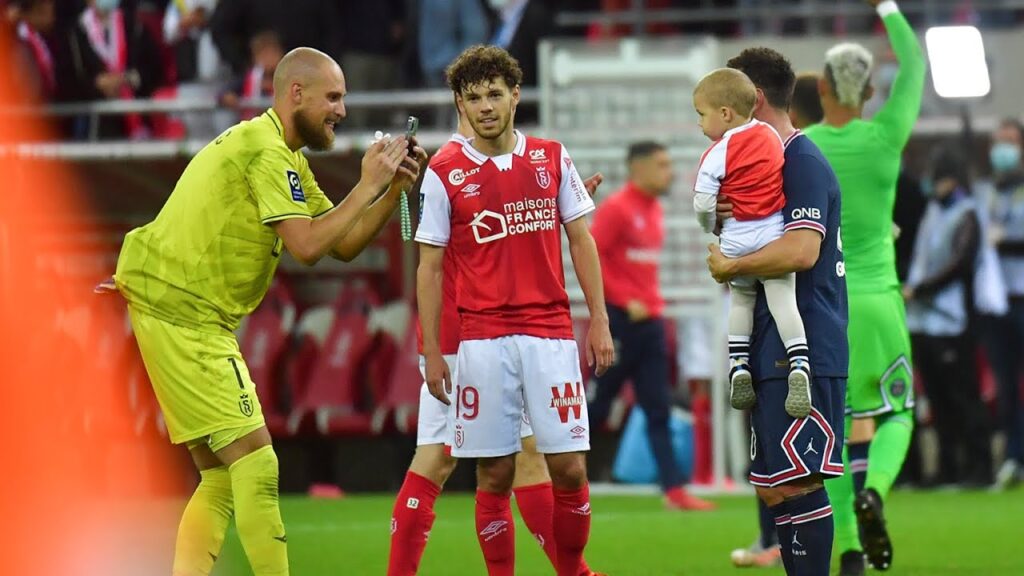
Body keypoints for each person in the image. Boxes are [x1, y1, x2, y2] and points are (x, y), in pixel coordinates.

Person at [112, 47, 426, 576]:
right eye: (334, 97)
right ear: (295, 94)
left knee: (218, 475)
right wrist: (368, 184)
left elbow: (342, 243)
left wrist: (391, 188)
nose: (342, 111)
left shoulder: (286, 157)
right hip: (188, 317)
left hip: (179, 311)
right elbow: (306, 246)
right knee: (257, 462)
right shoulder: (267, 152)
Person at [416, 45, 614, 576]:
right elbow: (429, 267)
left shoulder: (551, 155)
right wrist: (433, 351)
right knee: (495, 474)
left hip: (550, 334)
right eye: (474, 97)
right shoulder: (443, 171)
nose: (485, 106)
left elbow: (581, 239)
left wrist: (599, 319)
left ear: (515, 95)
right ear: (460, 102)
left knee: (569, 469)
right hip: (481, 341)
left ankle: (572, 571)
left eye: (494, 94)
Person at [707, 45, 848, 576]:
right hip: (766, 344)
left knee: (798, 480)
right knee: (771, 488)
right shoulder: (759, 167)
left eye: (727, 101)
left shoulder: (801, 160)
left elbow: (802, 251)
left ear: (754, 99)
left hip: (804, 344)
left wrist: (729, 267)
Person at [803, 0, 926, 572]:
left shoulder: (803, 151)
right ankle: (877, 486)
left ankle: (850, 549)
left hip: (827, 307)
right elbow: (916, 62)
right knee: (898, 413)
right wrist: (888, 7)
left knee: (835, 430)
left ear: (823, 90)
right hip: (880, 301)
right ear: (870, 93)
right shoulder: (885, 139)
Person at [588, 140, 715, 511]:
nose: (669, 172)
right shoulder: (616, 209)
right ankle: (551, 477)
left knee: (658, 407)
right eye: (661, 165)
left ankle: (674, 490)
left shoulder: (654, 210)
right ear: (637, 168)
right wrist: (625, 302)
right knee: (596, 407)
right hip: (621, 324)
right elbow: (590, 258)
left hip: (651, 324)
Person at [693, 68, 812, 420]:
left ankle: (739, 365)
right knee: (783, 300)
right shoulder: (771, 136)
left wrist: (709, 223)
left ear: (725, 114)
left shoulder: (718, 150)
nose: (701, 124)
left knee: (741, 300)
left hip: (737, 236)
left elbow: (702, 202)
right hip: (772, 230)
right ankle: (800, 364)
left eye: (702, 115)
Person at [905, 145, 992, 488]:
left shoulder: (967, 213)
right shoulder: (933, 212)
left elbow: (959, 264)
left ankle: (980, 467)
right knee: (938, 400)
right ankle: (948, 468)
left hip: (953, 321)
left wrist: (922, 288)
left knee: (964, 398)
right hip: (923, 321)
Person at [982, 117, 1024, 490]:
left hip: (1023, 296)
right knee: (1005, 385)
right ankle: (1012, 456)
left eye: (1009, 141)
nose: (1003, 149)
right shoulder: (989, 191)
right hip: (996, 303)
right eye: (998, 142)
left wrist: (1002, 243)